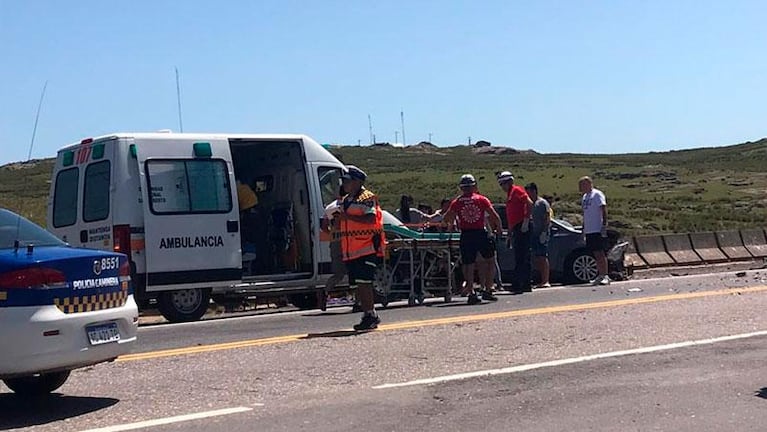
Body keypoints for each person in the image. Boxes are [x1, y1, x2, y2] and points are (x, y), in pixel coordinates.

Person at [338, 165, 386, 330]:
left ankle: (370, 315)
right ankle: (367, 313)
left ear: (357, 182)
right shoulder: (346, 200)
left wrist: (347, 217)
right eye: (343, 181)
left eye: (347, 181)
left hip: (366, 248)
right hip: (351, 250)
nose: (344, 184)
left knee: (365, 283)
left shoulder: (367, 197)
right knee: (358, 284)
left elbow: (370, 220)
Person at [442, 174, 503, 304]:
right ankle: (488, 288)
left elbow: (446, 218)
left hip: (466, 234)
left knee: (468, 264)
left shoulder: (457, 202)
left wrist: (451, 225)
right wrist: (499, 229)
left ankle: (471, 292)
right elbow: (495, 216)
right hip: (480, 233)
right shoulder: (482, 199)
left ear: (461, 188)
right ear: (474, 186)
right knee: (490, 260)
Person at [497, 171, 533, 293]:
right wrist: (510, 233)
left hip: (522, 225)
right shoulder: (510, 194)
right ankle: (524, 283)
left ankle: (520, 284)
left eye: (503, 184)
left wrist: (526, 220)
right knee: (521, 256)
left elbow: (529, 203)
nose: (502, 187)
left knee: (521, 256)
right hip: (516, 227)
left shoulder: (517, 191)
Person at [319, 187, 349, 311]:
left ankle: (325, 291)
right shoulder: (349, 205)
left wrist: (332, 233)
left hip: (335, 241)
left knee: (338, 274)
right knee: (356, 271)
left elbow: (324, 226)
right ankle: (359, 301)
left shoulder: (329, 207)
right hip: (349, 241)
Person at [579, 176, 610, 285]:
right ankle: (600, 275)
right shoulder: (584, 197)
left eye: (582, 185)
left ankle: (605, 275)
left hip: (597, 228)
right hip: (589, 229)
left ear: (588, 183)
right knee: (595, 253)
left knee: (600, 252)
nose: (580, 187)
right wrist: (584, 228)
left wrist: (604, 224)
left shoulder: (597, 194)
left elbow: (603, 208)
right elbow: (585, 214)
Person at [525, 183, 551, 288]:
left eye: (529, 192)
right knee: (536, 257)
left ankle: (546, 280)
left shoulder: (542, 203)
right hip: (533, 234)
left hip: (541, 233)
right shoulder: (530, 203)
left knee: (542, 256)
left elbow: (547, 218)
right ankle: (539, 279)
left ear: (534, 191)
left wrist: (544, 232)